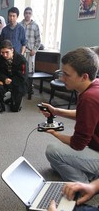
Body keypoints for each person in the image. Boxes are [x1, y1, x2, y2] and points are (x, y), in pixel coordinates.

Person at [40, 47, 99, 183]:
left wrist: (55, 133)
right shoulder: (95, 84)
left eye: (66, 74)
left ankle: (82, 186)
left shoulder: (89, 98)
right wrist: (57, 111)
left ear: (84, 76)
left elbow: (78, 144)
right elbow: (85, 115)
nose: (62, 78)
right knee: (56, 164)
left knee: (52, 151)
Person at [0, 39, 28, 116]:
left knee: (15, 109)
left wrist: (11, 81)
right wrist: (3, 79)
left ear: (12, 50)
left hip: (18, 83)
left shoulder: (21, 60)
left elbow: (23, 77)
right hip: (5, 81)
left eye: (7, 52)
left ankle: (12, 99)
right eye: (2, 52)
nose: (4, 55)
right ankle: (1, 107)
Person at [19, 7, 41, 73]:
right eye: (26, 13)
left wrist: (34, 50)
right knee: (21, 69)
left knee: (30, 70)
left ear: (31, 14)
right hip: (21, 51)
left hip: (30, 52)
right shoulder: (19, 25)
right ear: (23, 14)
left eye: (29, 13)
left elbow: (38, 39)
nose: (27, 15)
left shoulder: (35, 25)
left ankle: (30, 83)